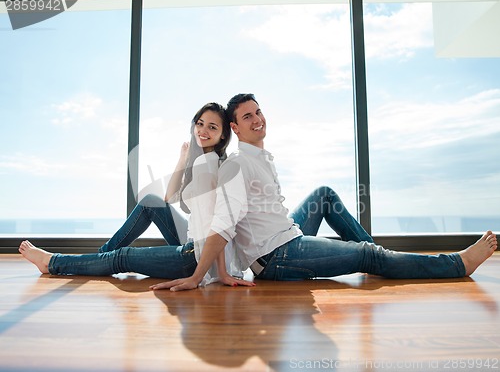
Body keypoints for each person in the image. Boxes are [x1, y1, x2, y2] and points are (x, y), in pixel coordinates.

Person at [150, 93, 498, 292]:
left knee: (325, 194)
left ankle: (380, 258)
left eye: (258, 111)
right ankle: (454, 263)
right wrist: (198, 278)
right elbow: (222, 226)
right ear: (235, 128)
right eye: (247, 116)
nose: (257, 119)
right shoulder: (238, 165)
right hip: (277, 255)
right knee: (364, 254)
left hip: (285, 234)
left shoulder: (259, 157)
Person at [19, 102, 254, 288]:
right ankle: (98, 259)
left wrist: (212, 273)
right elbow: (168, 198)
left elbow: (217, 224)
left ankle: (52, 263)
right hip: (197, 244)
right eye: (200, 124)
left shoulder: (208, 165)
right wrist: (182, 159)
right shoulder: (204, 161)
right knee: (150, 202)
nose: (202, 131)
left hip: (196, 257)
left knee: (122, 257)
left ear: (223, 135)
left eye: (212, 127)